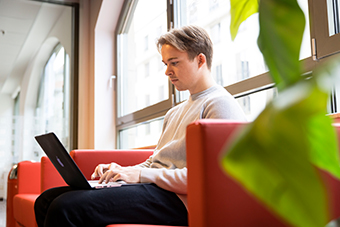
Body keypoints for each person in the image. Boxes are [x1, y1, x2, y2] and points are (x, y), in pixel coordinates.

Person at [34, 25, 246, 227]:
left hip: (180, 201)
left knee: (65, 208)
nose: (167, 72)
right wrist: (123, 171)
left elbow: (209, 178)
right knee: (46, 200)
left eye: (174, 62)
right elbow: (155, 163)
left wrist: (141, 176)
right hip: (155, 188)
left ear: (200, 60)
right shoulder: (175, 112)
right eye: (165, 64)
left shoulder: (220, 104)